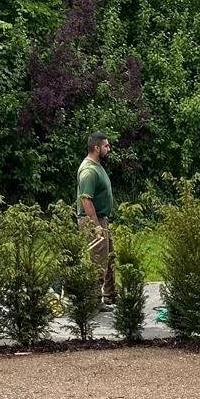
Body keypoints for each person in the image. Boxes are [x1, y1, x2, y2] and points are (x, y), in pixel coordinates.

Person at [76, 130, 115, 305]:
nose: (109, 149)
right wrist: (96, 225)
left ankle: (109, 295)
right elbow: (86, 199)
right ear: (97, 148)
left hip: (102, 219)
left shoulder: (97, 166)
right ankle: (93, 301)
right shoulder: (88, 171)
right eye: (106, 146)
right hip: (93, 221)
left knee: (108, 257)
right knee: (98, 261)